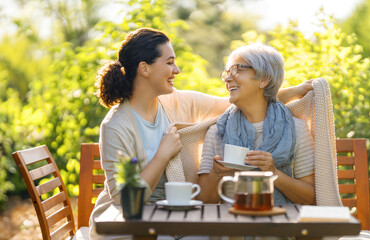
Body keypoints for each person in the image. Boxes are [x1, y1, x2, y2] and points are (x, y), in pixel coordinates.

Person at [89, 28, 312, 239]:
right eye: (169, 63)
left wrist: (290, 91)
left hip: (171, 217)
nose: (176, 70)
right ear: (145, 68)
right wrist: (162, 156)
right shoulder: (116, 126)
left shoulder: (176, 101)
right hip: (124, 224)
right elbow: (124, 201)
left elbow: (237, 103)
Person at [197, 44, 315, 205]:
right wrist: (216, 174)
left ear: (264, 79)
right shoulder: (217, 131)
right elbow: (203, 202)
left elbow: (311, 199)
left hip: (281, 224)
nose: (228, 78)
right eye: (227, 72)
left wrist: (273, 173)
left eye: (238, 69)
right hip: (232, 225)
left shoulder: (296, 129)